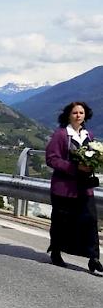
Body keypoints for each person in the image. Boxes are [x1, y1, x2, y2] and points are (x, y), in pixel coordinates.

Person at [45, 101, 102, 273]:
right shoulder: (61, 135)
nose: (78, 115)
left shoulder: (89, 135)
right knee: (61, 222)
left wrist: (91, 165)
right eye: (75, 113)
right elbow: (51, 158)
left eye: (81, 113)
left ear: (86, 115)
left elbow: (92, 157)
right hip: (64, 189)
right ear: (68, 115)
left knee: (90, 221)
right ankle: (56, 251)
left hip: (84, 189)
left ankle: (94, 259)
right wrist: (74, 168)